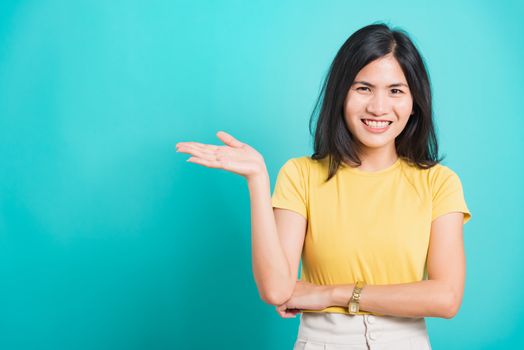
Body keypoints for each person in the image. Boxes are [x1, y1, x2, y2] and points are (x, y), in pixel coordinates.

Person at [176, 22, 471, 350]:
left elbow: (446, 297)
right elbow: (276, 290)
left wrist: (332, 293)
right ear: (341, 93)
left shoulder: (439, 183)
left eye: (395, 90)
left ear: (414, 101)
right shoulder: (301, 175)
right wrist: (258, 179)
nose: (378, 107)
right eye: (363, 88)